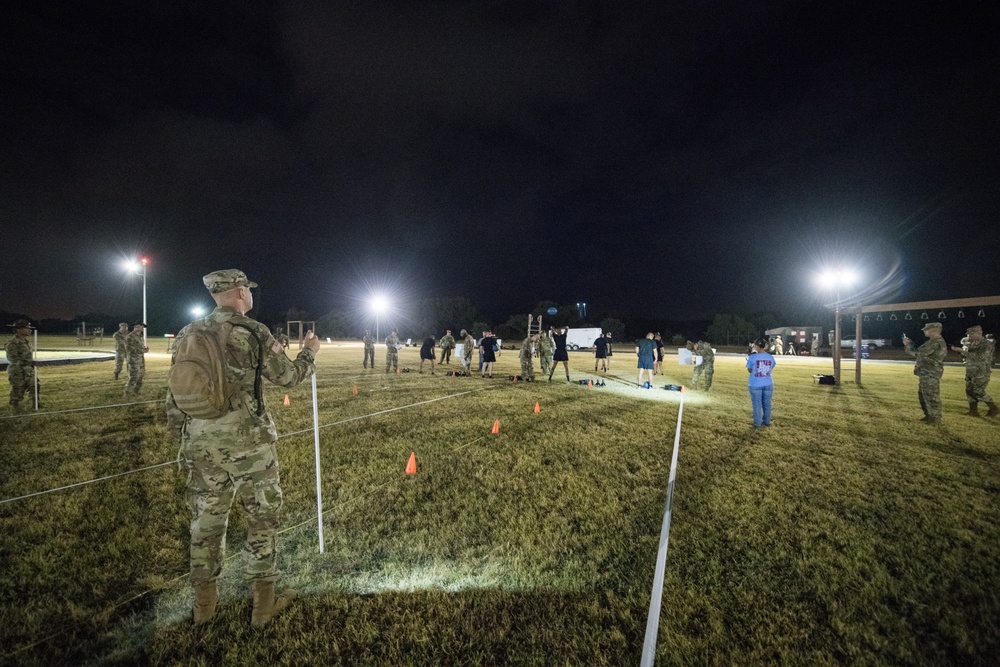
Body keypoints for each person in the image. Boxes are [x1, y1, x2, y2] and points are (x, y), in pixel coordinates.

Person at [166, 270, 319, 628]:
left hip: (201, 443)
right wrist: (309, 354)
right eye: (247, 290)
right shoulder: (252, 331)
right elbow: (289, 377)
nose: (250, 295)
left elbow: (175, 391)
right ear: (238, 292)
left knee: (205, 522)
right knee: (262, 519)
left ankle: (204, 608)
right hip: (249, 446)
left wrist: (184, 439)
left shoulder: (189, 333)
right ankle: (263, 609)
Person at [903, 322, 948, 425]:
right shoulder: (932, 342)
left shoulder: (935, 342)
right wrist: (911, 344)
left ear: (934, 331)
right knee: (923, 395)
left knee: (931, 396)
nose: (924, 331)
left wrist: (908, 345)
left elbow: (918, 353)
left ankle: (935, 419)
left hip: (930, 373)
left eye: (926, 330)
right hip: (926, 372)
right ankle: (929, 416)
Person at [951, 324, 997, 417]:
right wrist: (961, 353)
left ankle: (994, 408)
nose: (968, 336)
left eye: (970, 334)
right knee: (969, 390)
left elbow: (980, 357)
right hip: (971, 370)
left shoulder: (987, 344)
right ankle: (973, 411)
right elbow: (968, 356)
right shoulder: (971, 343)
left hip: (981, 371)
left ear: (978, 333)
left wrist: (963, 351)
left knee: (978, 391)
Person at [5, 319, 37, 412]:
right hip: (17, 370)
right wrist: (28, 362)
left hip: (28, 369)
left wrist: (31, 362)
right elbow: (12, 358)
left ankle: (36, 403)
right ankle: (15, 406)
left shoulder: (27, 342)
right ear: (19, 329)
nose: (29, 330)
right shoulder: (12, 343)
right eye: (27, 328)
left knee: (34, 385)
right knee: (18, 388)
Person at [746, 337, 776, 428]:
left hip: (755, 384)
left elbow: (750, 370)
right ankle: (767, 421)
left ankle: (757, 423)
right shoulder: (770, 357)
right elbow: (771, 367)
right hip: (768, 383)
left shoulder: (752, 357)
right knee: (767, 403)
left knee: (757, 404)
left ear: (756, 346)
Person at [123, 321, 149, 396]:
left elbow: (139, 346)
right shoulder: (130, 336)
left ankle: (136, 391)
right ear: (136, 327)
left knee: (140, 376)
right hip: (133, 360)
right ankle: (127, 393)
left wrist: (144, 349)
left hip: (140, 359)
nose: (142, 329)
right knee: (133, 377)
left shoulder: (140, 336)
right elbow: (128, 348)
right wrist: (141, 350)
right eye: (141, 327)